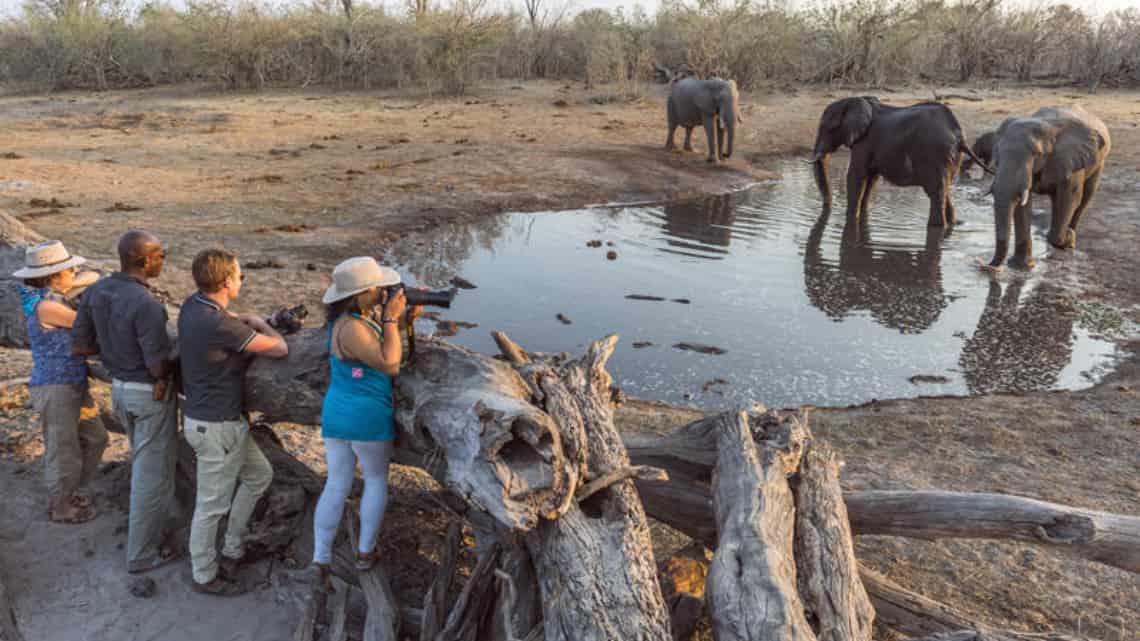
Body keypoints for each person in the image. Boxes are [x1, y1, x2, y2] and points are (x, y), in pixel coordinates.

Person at [178, 248, 288, 596]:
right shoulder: (219, 323)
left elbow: (223, 331)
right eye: (240, 276)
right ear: (227, 281)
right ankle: (205, 575)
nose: (242, 280)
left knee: (259, 476)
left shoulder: (193, 307)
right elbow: (280, 349)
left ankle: (233, 548)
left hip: (208, 420)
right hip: (218, 427)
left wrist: (242, 319)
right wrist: (260, 322)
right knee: (211, 506)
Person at [72, 231, 179, 571]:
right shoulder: (147, 304)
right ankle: (141, 555)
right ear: (144, 260)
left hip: (118, 389)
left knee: (146, 466)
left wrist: (115, 349)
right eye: (160, 254)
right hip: (149, 394)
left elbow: (80, 345)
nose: (163, 259)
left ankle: (156, 532)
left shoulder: (96, 291)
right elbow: (157, 365)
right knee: (152, 476)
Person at [311, 257, 416, 585]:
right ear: (357, 294)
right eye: (375, 288)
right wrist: (389, 319)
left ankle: (321, 557)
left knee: (337, 482)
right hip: (367, 417)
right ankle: (365, 552)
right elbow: (390, 363)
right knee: (374, 480)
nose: (380, 291)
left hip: (338, 413)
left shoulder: (345, 321)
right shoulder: (354, 327)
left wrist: (402, 323)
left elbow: (379, 351)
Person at [13, 240, 108, 524]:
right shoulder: (47, 306)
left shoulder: (52, 298)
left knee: (96, 438)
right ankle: (61, 505)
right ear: (55, 276)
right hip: (56, 387)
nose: (74, 271)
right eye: (68, 269)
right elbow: (86, 326)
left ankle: (71, 491)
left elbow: (90, 277)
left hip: (69, 384)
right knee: (62, 448)